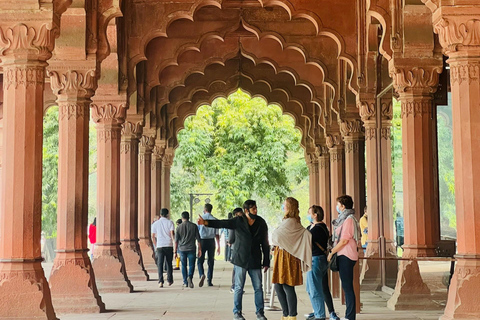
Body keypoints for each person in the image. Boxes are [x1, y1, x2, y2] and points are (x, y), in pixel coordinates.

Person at [198, 200, 270, 320]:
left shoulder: (261, 222)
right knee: (238, 287)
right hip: (240, 259)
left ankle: (260, 313)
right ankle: (237, 312)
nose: (256, 211)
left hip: (255, 259)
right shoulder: (238, 221)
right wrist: (205, 222)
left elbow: (265, 243)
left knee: (258, 287)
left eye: (256, 208)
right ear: (246, 211)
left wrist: (266, 261)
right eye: (253, 209)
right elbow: (222, 223)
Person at [272, 197, 312, 320]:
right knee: (279, 285)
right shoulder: (290, 220)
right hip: (281, 255)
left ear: (289, 207)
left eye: (285, 205)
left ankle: (292, 314)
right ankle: (286, 313)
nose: (283, 207)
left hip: (287, 257)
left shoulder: (291, 221)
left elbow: (277, 235)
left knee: (287, 285)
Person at [327, 195, 360, 320]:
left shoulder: (349, 220)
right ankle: (349, 315)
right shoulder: (345, 219)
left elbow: (344, 240)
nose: (337, 207)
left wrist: (332, 252)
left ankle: (350, 316)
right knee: (346, 286)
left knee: (347, 287)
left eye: (338, 205)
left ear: (343, 206)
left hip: (346, 255)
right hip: (343, 254)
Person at [304, 205, 340, 320]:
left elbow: (306, 240)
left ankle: (320, 315)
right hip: (319, 259)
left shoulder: (318, 229)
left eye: (310, 213)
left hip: (316, 260)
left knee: (315, 289)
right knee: (315, 288)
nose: (308, 215)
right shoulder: (315, 227)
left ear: (315, 215)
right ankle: (319, 311)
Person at [175, 211, 202, 288]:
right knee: (191, 265)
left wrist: (175, 251)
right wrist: (200, 249)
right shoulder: (194, 226)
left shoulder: (179, 227)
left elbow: (176, 241)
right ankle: (190, 276)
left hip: (182, 249)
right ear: (189, 217)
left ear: (181, 218)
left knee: (183, 265)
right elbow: (198, 239)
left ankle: (185, 281)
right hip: (192, 248)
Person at [197, 203, 221, 287]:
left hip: (202, 241)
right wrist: (218, 246)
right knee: (211, 261)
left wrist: (198, 243)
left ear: (205, 209)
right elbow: (217, 234)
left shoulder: (200, 219)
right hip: (211, 241)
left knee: (200, 260)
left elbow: (197, 232)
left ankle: (201, 274)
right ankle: (209, 280)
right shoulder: (215, 220)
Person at [151, 208, 175, 288]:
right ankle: (169, 280)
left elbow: (153, 236)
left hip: (160, 245)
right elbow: (172, 235)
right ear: (167, 214)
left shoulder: (155, 224)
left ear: (160, 214)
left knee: (160, 264)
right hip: (168, 245)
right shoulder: (170, 222)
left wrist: (156, 245)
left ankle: (160, 281)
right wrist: (174, 244)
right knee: (169, 263)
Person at [228, 208, 244, 293]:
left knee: (237, 268)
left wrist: (230, 242)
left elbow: (231, 238)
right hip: (240, 248)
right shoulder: (245, 221)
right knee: (238, 268)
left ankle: (235, 285)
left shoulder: (234, 223)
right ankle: (236, 285)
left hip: (235, 247)